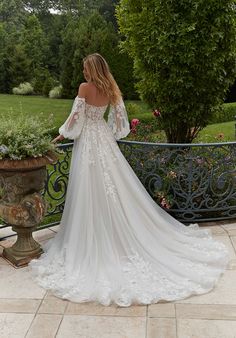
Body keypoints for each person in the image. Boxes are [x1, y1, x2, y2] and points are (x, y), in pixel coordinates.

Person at [29, 53, 228, 307]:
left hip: (88, 143)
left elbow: (74, 121)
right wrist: (108, 132)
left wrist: (59, 137)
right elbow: (120, 122)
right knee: (114, 188)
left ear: (91, 68)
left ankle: (93, 239)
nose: (83, 71)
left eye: (84, 67)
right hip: (104, 139)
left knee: (88, 189)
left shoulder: (84, 88)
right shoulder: (110, 87)